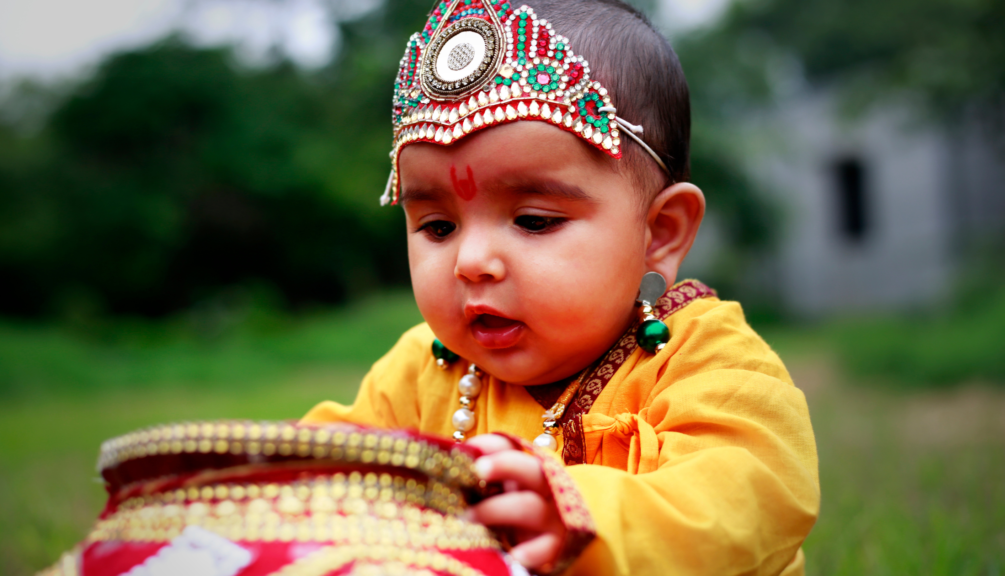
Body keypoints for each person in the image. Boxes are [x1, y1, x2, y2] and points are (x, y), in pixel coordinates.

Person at [302, 0, 820, 574]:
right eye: (438, 226)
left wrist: (580, 516)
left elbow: (752, 499)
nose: (471, 263)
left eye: (534, 221)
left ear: (659, 233)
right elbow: (322, 476)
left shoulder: (703, 360)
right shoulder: (423, 372)